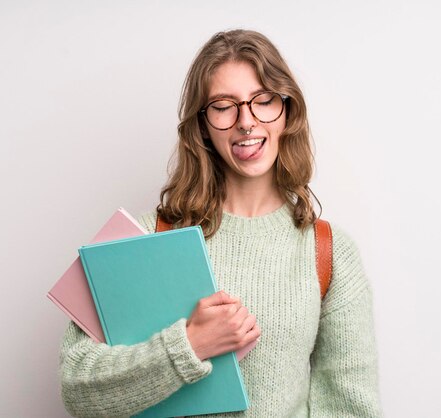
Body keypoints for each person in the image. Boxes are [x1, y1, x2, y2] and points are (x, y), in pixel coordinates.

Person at [60, 29, 383, 417]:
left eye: (263, 100)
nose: (246, 121)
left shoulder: (329, 252)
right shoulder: (142, 239)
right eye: (224, 106)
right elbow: (78, 391)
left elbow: (349, 409)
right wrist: (189, 346)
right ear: (203, 125)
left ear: (287, 112)